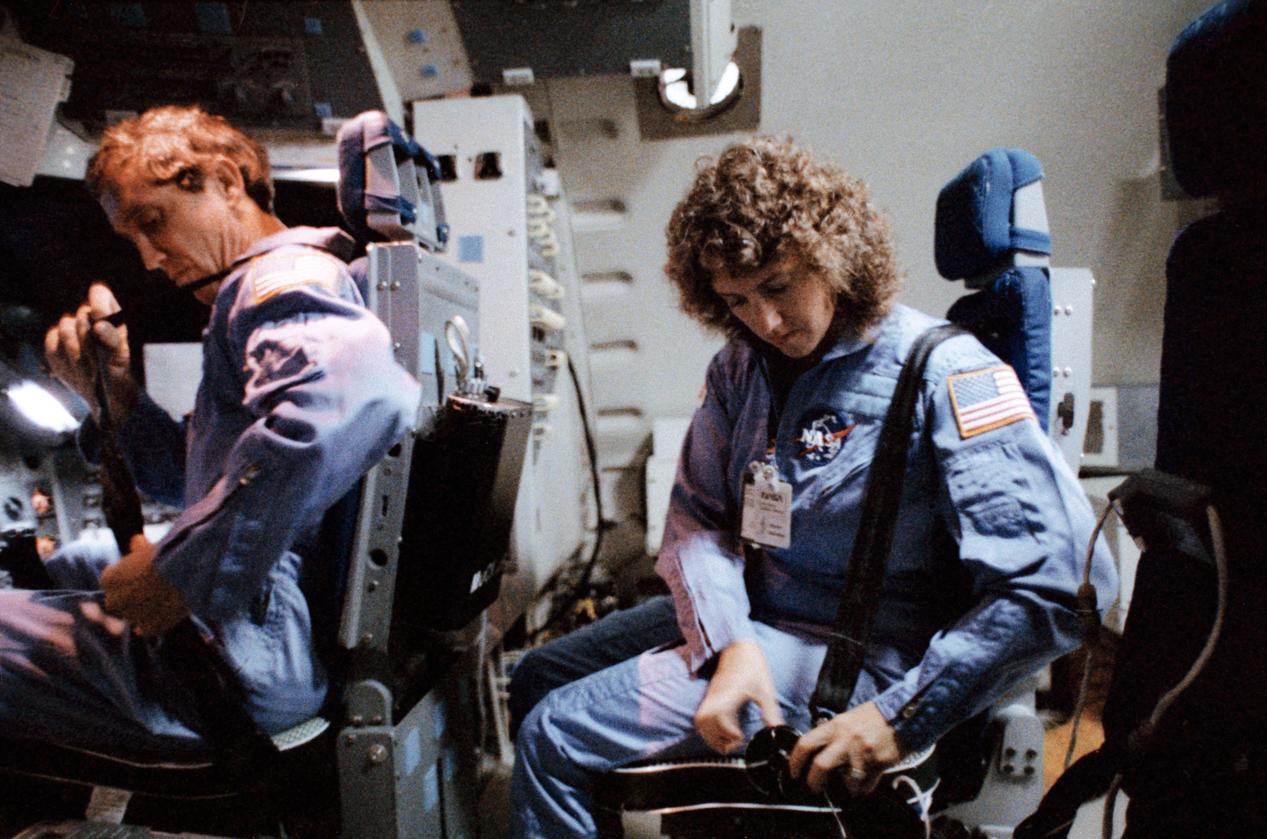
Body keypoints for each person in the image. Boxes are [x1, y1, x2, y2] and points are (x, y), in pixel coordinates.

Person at [509, 136, 1117, 837]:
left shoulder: (946, 371)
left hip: (857, 651)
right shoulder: (743, 369)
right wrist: (729, 642)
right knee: (537, 677)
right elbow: (699, 520)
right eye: (736, 300)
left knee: (553, 735)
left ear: (834, 258)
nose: (764, 321)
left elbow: (1066, 581)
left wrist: (902, 714)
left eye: (776, 285)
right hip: (755, 615)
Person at [0, 105, 420, 756]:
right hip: (269, 646)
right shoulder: (284, 290)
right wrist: (111, 397)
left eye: (152, 221)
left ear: (225, 181)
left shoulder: (275, 279)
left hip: (240, 656)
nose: (146, 259)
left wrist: (182, 573)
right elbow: (199, 476)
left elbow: (356, 394)